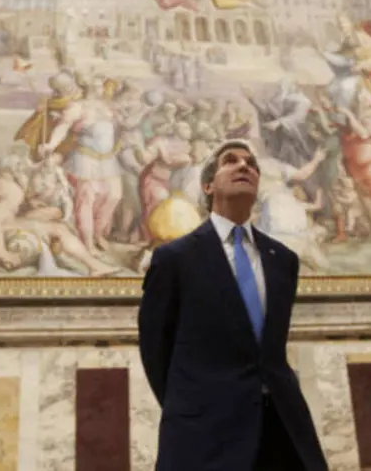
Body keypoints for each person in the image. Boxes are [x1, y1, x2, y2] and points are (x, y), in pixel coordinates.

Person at [138, 139, 328, 470]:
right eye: (231, 161)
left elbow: (271, 347)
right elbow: (156, 349)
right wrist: (191, 405)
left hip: (283, 427)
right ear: (208, 184)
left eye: (251, 164)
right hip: (206, 433)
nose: (245, 166)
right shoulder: (174, 258)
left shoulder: (282, 260)